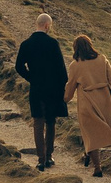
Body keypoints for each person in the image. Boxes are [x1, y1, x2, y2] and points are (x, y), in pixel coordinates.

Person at [13, 13, 69, 171]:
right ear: (46, 25)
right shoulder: (52, 43)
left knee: (38, 122)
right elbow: (61, 68)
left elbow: (18, 66)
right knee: (50, 122)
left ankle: (40, 159)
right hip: (52, 89)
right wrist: (63, 86)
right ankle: (49, 155)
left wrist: (31, 78)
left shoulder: (26, 44)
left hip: (36, 89)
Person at [63, 34, 111, 174]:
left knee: (91, 134)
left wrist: (66, 99)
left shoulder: (75, 65)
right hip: (105, 100)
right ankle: (87, 155)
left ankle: (97, 167)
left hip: (87, 103)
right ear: (90, 45)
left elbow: (71, 85)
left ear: (76, 48)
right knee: (103, 129)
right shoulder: (102, 60)